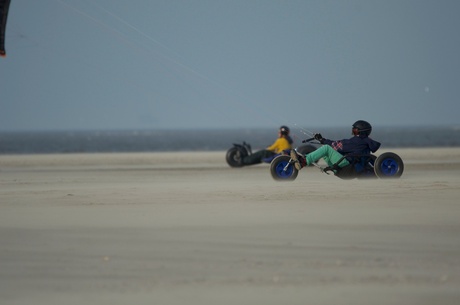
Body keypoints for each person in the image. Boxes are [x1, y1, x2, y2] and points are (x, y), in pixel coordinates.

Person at [291, 120, 381, 175]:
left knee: (326, 148)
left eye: (355, 130)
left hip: (348, 168)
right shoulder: (366, 141)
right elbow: (339, 146)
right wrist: (322, 140)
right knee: (326, 151)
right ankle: (331, 167)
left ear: (360, 132)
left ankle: (303, 161)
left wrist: (323, 140)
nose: (353, 131)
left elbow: (337, 145)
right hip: (351, 167)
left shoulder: (357, 141)